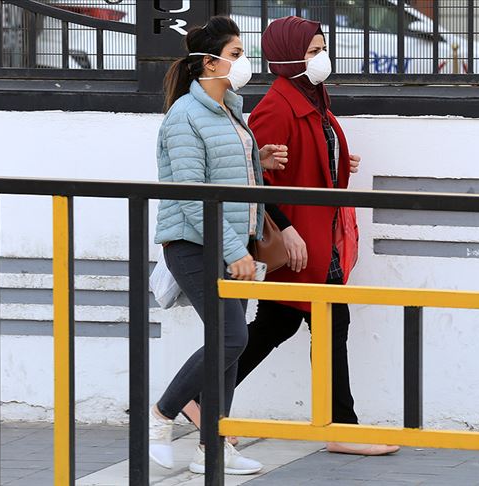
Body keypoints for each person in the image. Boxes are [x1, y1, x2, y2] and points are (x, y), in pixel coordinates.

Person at [239, 15, 398, 456]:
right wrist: (287, 229)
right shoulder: (277, 106)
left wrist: (338, 160)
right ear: (288, 55)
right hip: (300, 240)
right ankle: (341, 427)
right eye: (312, 51)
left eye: (322, 49)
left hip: (316, 235)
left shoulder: (310, 97)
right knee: (326, 322)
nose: (321, 58)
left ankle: (197, 397)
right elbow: (256, 178)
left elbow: (299, 159)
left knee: (276, 325)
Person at [150, 16, 289, 475]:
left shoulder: (229, 109)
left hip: (230, 241)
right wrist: (235, 252)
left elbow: (223, 174)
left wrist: (257, 159)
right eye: (235, 54)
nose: (244, 62)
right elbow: (194, 196)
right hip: (194, 245)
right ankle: (162, 413)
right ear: (208, 63)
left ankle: (213, 449)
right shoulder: (184, 116)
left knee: (228, 347)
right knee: (232, 337)